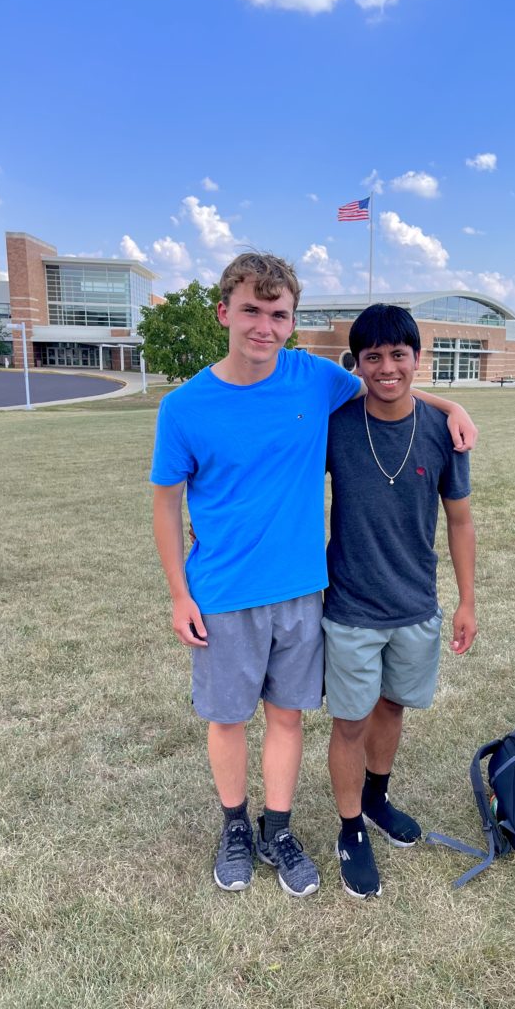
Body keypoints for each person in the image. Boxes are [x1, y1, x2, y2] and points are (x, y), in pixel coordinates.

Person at [150, 253, 477, 897]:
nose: (264, 327)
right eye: (251, 310)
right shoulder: (184, 407)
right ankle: (235, 826)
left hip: (304, 591)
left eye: (278, 315)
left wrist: (452, 403)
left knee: (289, 718)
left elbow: (389, 384)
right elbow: (166, 503)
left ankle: (279, 828)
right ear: (224, 313)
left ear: (293, 322)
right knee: (227, 719)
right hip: (221, 593)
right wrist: (179, 593)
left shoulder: (309, 377)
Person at [323, 304, 477, 899]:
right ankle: (350, 829)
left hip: (416, 604)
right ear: (357, 363)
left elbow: (460, 522)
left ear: (418, 359)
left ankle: (376, 800)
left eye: (398, 355)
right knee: (350, 720)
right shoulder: (336, 424)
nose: (387, 368)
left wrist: (466, 601)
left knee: (392, 709)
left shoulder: (445, 433)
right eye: (373, 357)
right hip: (352, 608)